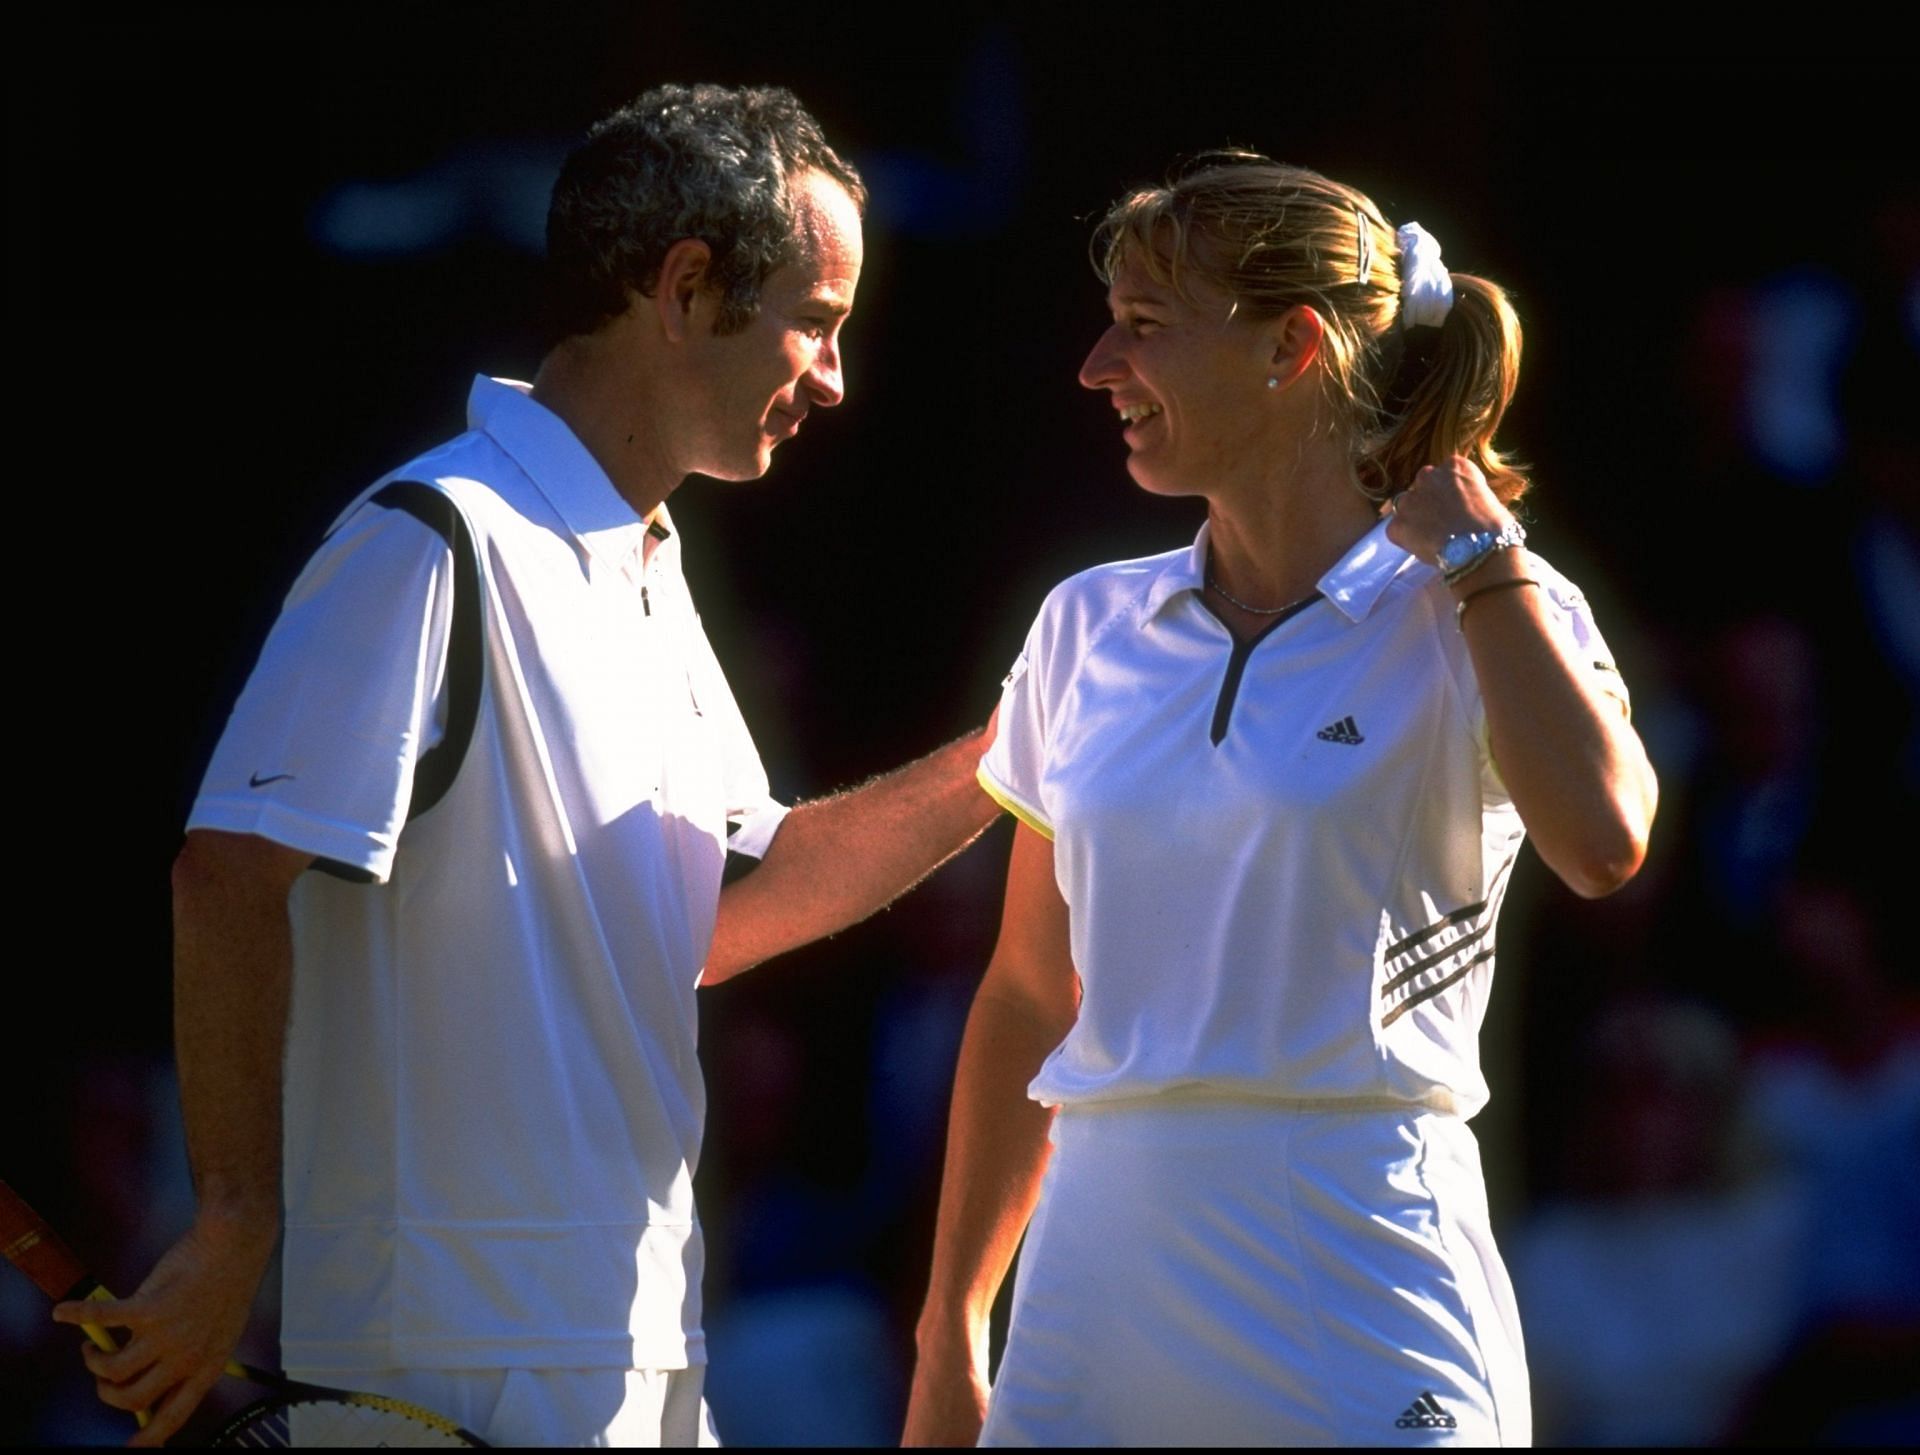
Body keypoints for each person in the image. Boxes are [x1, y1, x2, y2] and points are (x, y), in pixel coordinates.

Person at [52, 83, 1002, 1447]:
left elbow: (727, 914)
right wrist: (232, 1224)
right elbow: (226, 877)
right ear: (684, 289)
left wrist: (1009, 753)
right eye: (816, 321)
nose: (834, 378)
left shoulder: (648, 564)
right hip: (444, 1362)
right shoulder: (428, 537)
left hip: (632, 1349)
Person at [902, 151, 1659, 1447]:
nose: (1097, 367)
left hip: (1360, 1267)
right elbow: (1032, 992)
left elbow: (1603, 844)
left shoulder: (1486, 605)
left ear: (1290, 348)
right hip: (1092, 1287)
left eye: (1144, 329)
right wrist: (952, 1329)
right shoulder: (1082, 624)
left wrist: (1484, 559)